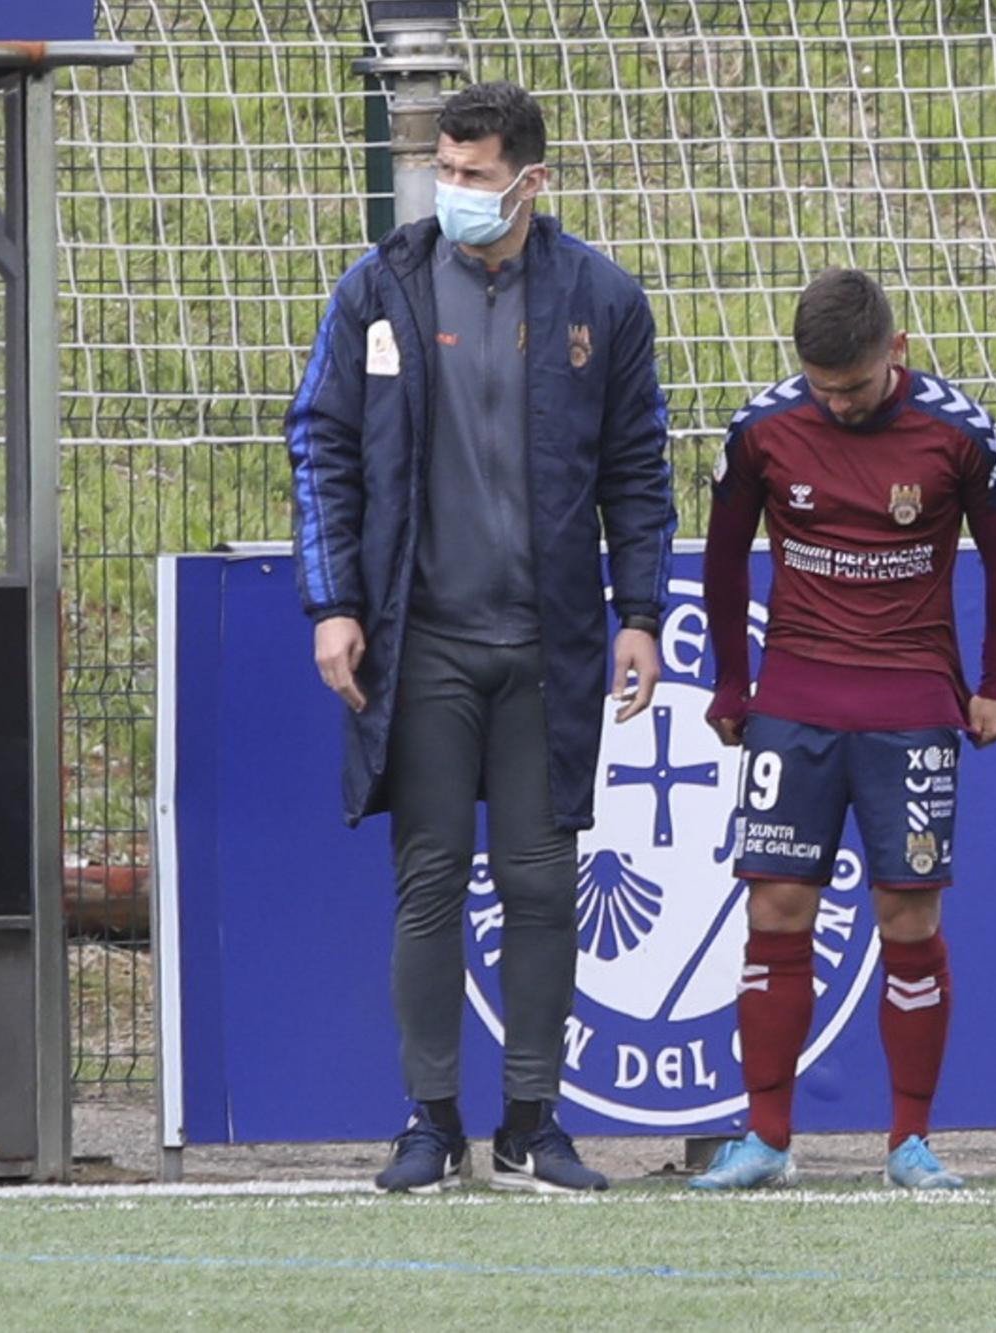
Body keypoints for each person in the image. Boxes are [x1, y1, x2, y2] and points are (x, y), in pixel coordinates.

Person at [285, 82, 675, 1194]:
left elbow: (636, 471)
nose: (450, 190)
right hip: (426, 643)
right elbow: (321, 447)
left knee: (545, 880)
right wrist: (335, 603)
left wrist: (638, 612)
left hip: (548, 646)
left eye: (471, 173)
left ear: (529, 180)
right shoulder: (380, 288)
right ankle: (430, 1120)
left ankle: (534, 1125)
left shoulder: (602, 297)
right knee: (429, 877)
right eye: (441, 171)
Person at [695, 268, 996, 1191]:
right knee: (775, 910)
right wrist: (733, 680)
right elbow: (724, 561)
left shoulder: (961, 433)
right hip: (795, 704)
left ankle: (909, 1142)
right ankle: (766, 1137)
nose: (835, 405)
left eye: (853, 386)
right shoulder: (763, 429)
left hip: (912, 705)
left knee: (908, 917)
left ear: (898, 351)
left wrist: (995, 683)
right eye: (820, 387)